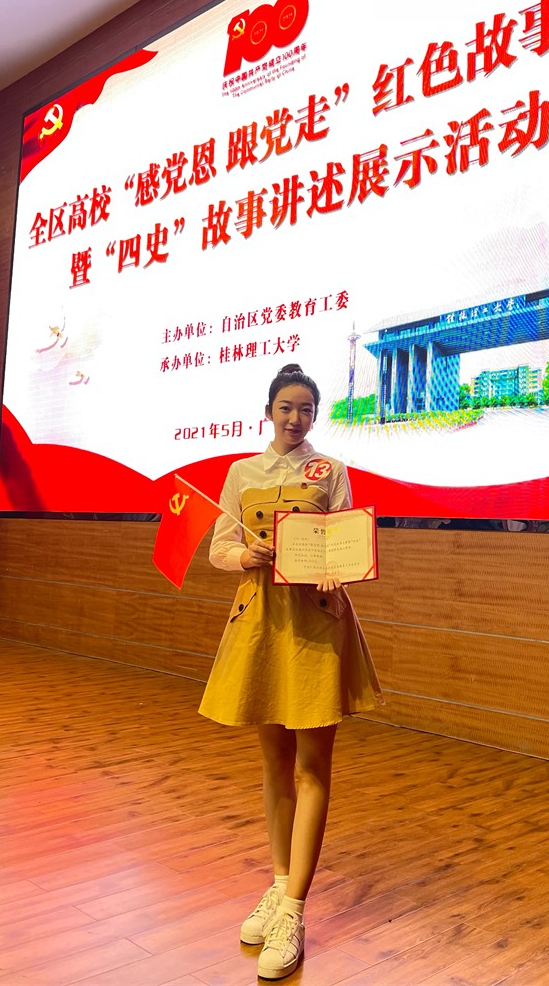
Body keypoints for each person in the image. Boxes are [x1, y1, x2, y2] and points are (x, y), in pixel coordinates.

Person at [199, 363, 383, 980]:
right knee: (274, 764)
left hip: (315, 624)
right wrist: (243, 554)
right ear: (269, 411)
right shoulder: (241, 473)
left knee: (311, 768)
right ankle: (279, 888)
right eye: (286, 407)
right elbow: (219, 548)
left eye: (306, 408)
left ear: (315, 414)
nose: (295, 418)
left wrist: (339, 568)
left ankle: (295, 912)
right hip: (259, 623)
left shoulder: (330, 471)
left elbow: (347, 544)